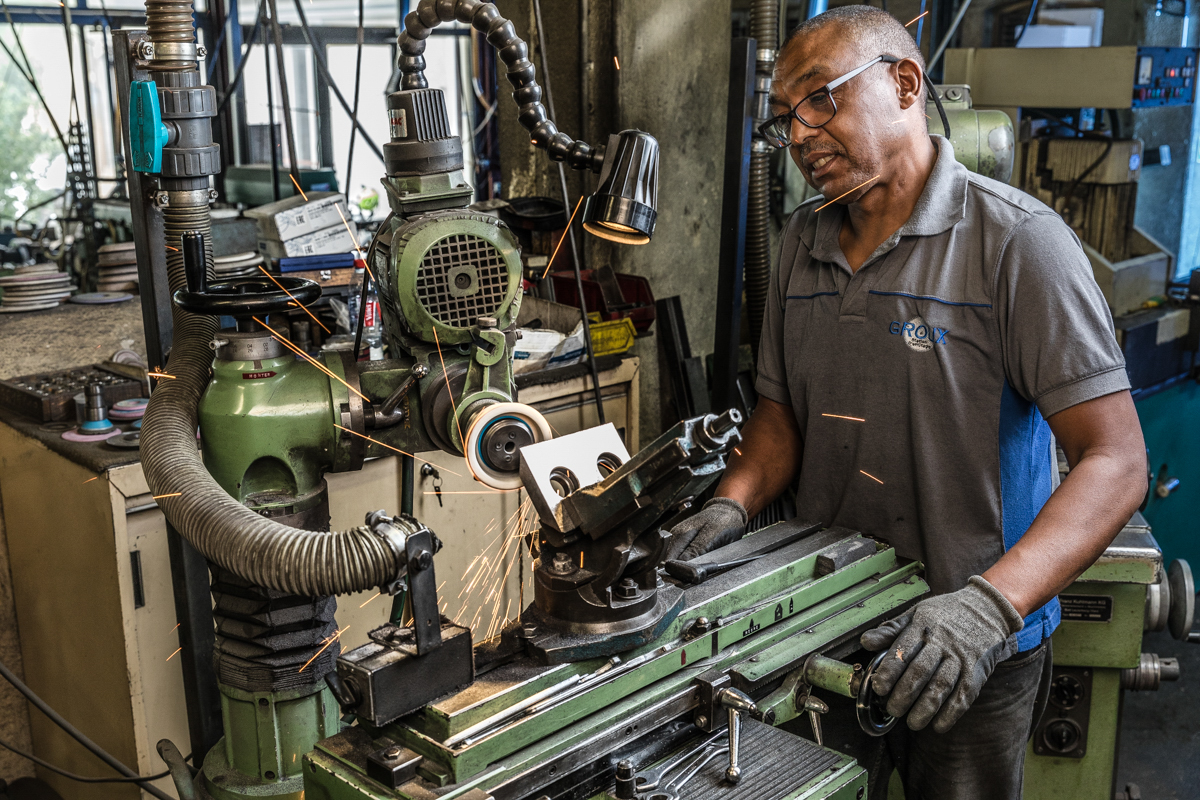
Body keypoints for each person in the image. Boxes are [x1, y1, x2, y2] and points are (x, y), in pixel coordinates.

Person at [665, 6, 1147, 799]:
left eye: (820, 98)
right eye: (786, 117)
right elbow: (781, 417)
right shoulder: (800, 244)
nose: (800, 134)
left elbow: (1117, 460)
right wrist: (731, 504)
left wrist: (988, 610)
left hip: (972, 642)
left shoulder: (1016, 243)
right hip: (825, 624)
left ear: (905, 83)